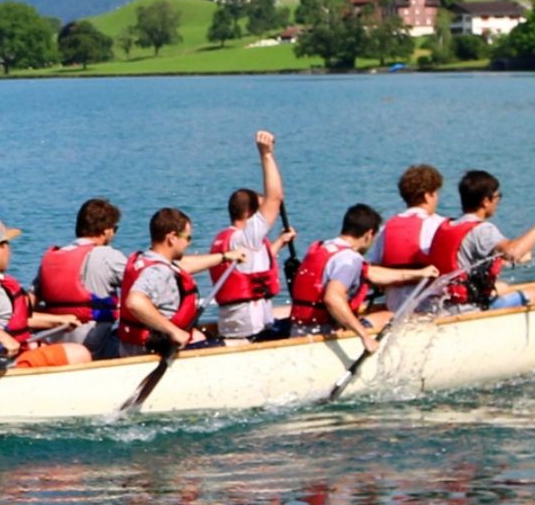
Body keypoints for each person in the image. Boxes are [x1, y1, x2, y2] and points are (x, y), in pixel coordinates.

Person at [0, 218, 92, 369]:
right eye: (7, 244)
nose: (9, 251)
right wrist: (3, 337)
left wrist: (59, 320)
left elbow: (13, 319)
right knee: (79, 353)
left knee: (49, 346)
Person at [287, 204, 436, 350]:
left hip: (300, 330)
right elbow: (332, 298)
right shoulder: (349, 259)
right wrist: (364, 336)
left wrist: (420, 274)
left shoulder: (324, 247)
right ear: (369, 234)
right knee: (390, 315)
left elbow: (371, 273)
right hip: (323, 333)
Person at [207, 131, 297, 343]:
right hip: (252, 333)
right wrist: (266, 154)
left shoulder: (229, 239)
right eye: (260, 211)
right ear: (249, 214)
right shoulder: (245, 238)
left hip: (235, 326)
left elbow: (251, 268)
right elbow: (275, 198)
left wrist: (279, 243)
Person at [427, 170, 535, 311]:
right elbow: (513, 252)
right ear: (486, 201)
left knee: (502, 288)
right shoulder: (483, 229)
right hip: (469, 309)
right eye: (497, 197)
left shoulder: (450, 225)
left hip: (444, 306)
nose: (498, 201)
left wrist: (507, 259)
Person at [118, 207, 231, 354]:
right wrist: (174, 331)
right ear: (172, 238)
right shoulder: (158, 271)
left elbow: (183, 266)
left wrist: (225, 257)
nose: (189, 243)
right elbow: (135, 301)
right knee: (239, 344)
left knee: (200, 336)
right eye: (187, 238)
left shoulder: (147, 259)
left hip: (133, 345)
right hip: (158, 349)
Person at [33, 198, 130, 358]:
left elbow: (29, 304)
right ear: (106, 231)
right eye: (115, 229)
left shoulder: (51, 258)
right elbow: (141, 288)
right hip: (93, 343)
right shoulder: (109, 256)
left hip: (54, 341)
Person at [375, 164, 446, 317]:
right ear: (428, 196)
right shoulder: (438, 224)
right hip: (427, 308)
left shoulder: (386, 228)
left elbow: (376, 269)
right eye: (436, 193)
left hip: (394, 306)